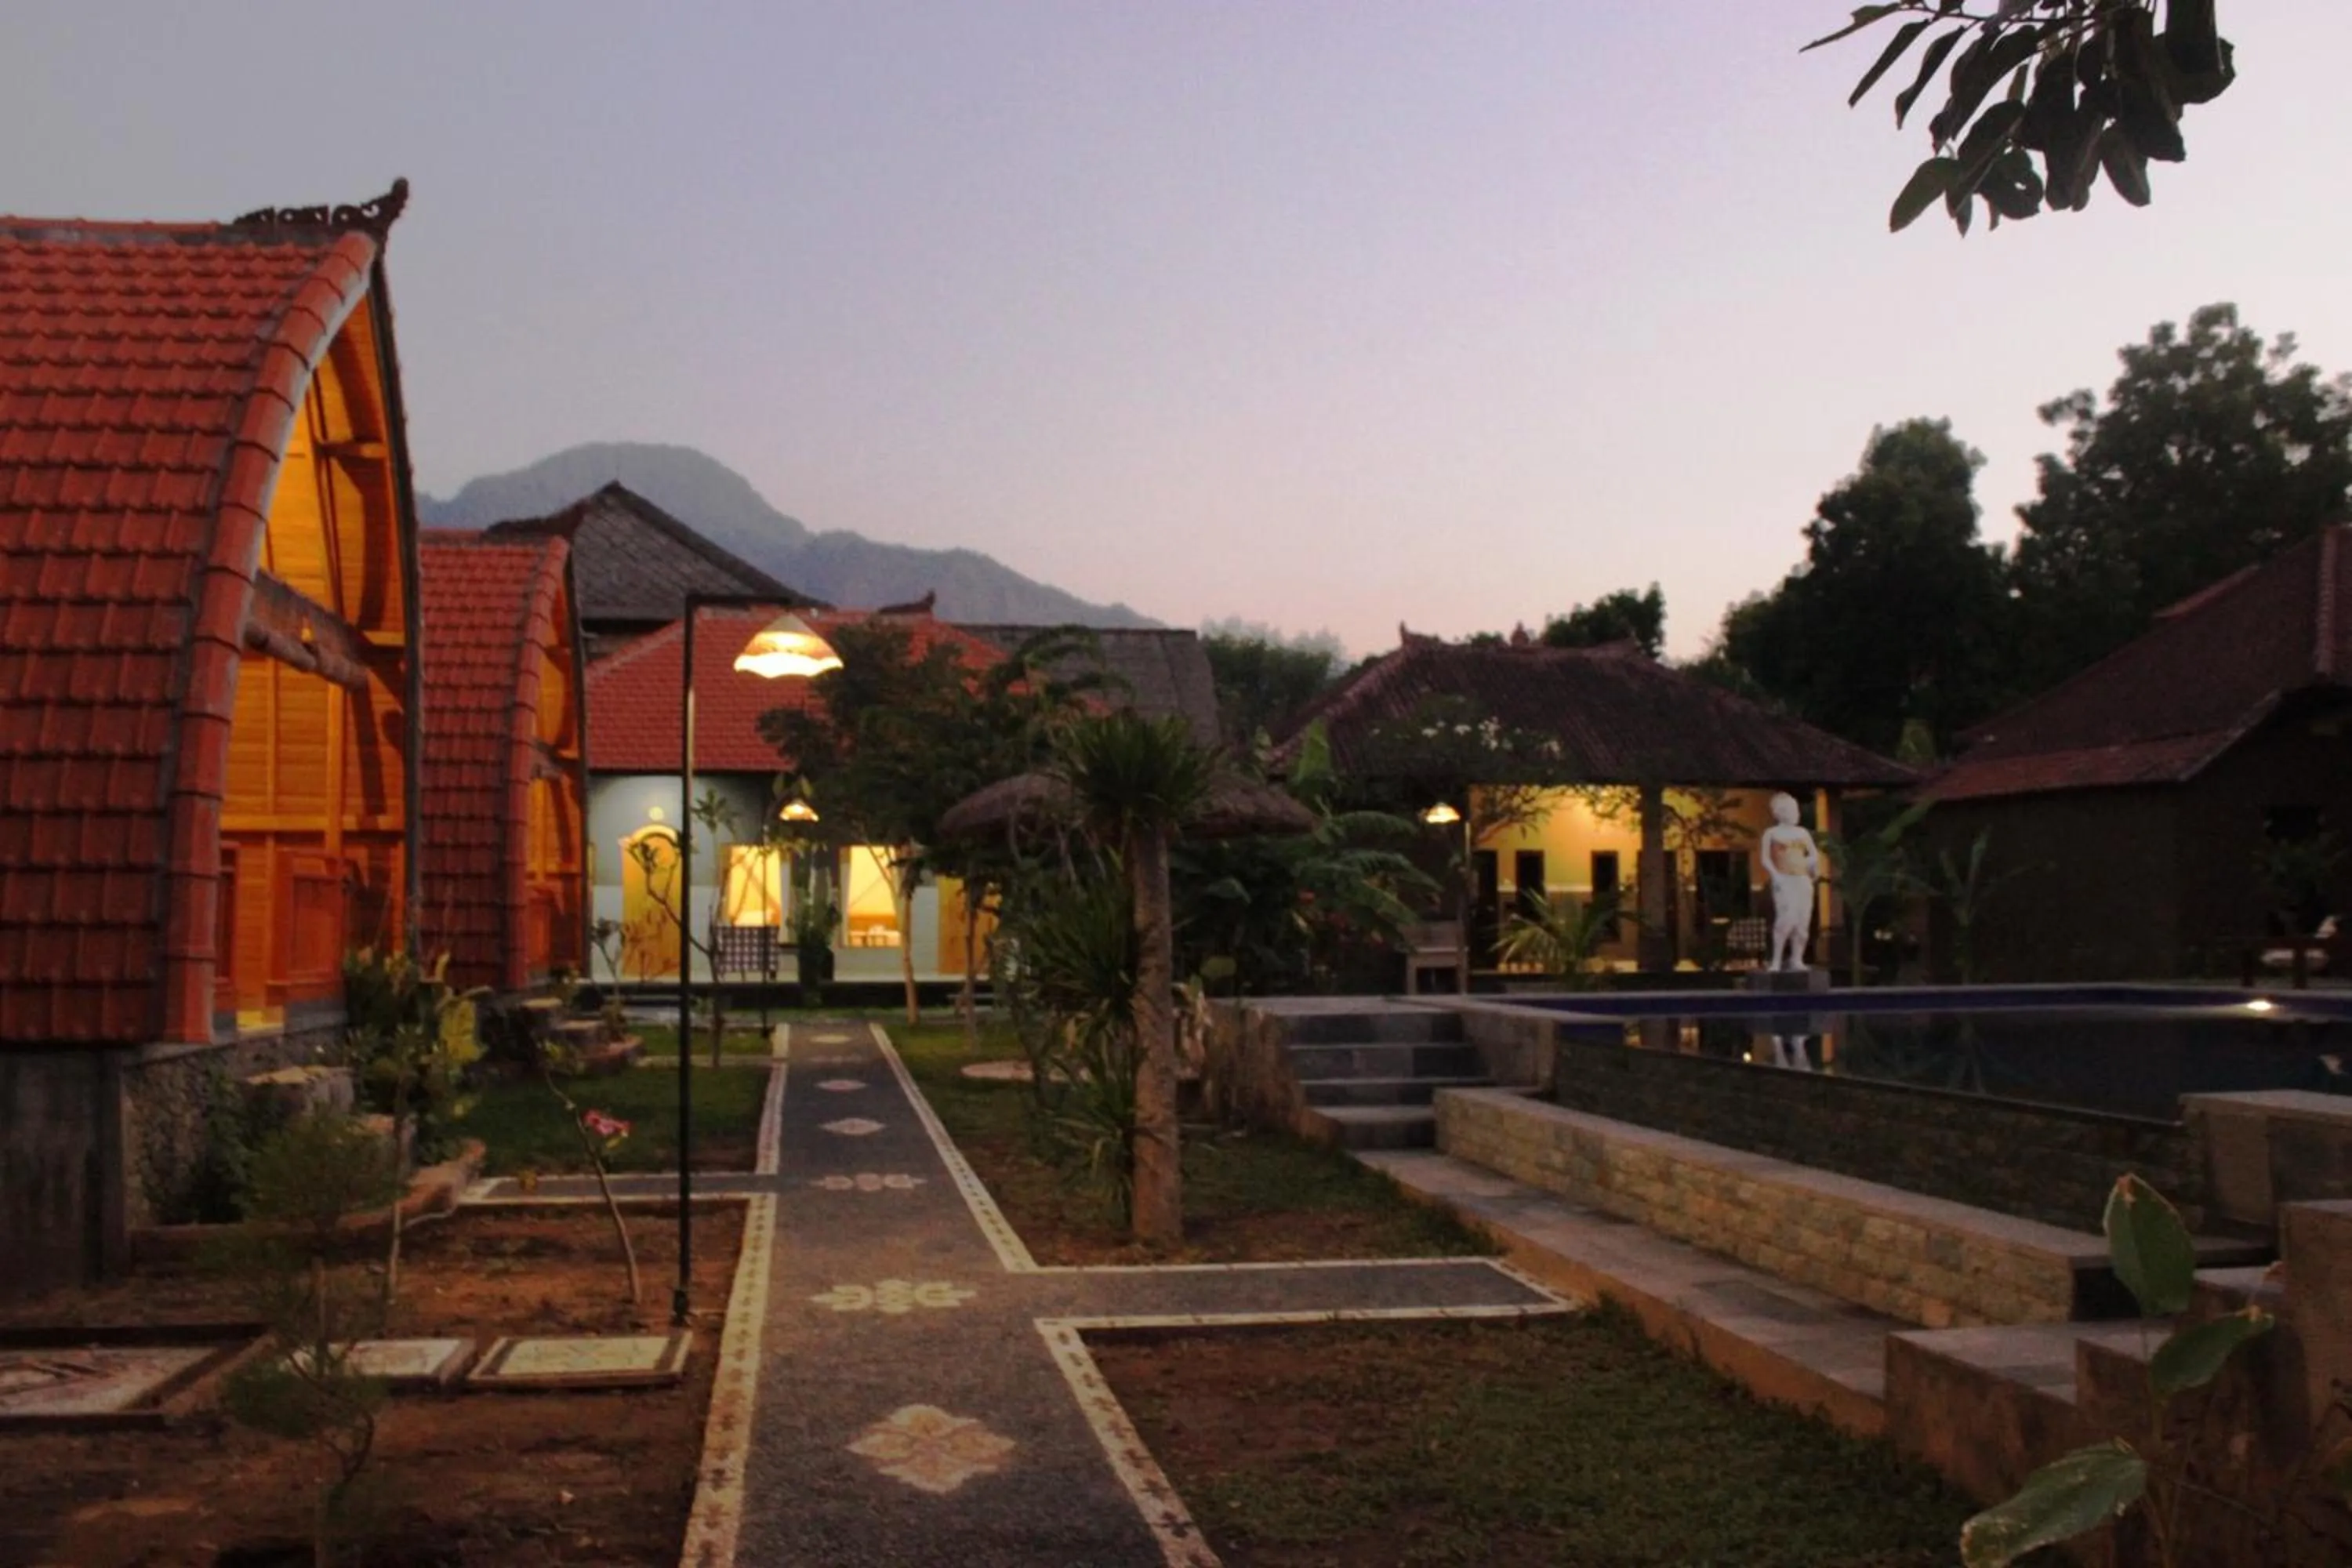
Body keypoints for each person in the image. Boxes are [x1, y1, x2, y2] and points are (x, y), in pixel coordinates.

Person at [1756, 793, 1820, 973]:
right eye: (1792, 810)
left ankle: (1797, 959)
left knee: (1802, 923)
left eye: (1796, 809)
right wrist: (1775, 875)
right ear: (1779, 813)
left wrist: (1809, 864)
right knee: (1786, 920)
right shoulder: (1772, 833)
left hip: (1802, 880)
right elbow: (1765, 859)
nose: (1796, 813)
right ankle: (1776, 960)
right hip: (1784, 880)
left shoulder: (1803, 833)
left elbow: (1814, 854)